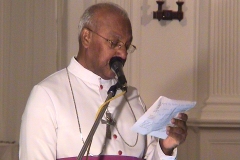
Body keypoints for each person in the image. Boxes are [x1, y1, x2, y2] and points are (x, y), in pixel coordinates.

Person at [19, 2, 188, 160]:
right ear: (86, 37)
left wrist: (166, 147)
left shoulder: (133, 98)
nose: (122, 54)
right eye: (114, 43)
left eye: (126, 46)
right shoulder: (47, 95)